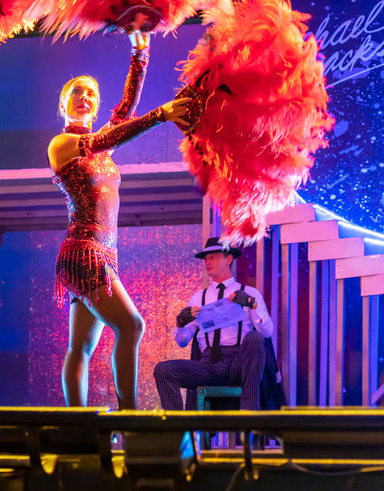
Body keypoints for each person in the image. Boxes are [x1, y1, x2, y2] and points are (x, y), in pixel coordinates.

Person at [48, 31, 191, 409]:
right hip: (84, 254)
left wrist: (140, 52)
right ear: (63, 104)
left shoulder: (103, 145)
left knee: (80, 346)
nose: (84, 97)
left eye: (91, 94)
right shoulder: (62, 144)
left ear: (96, 107)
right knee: (132, 325)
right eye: (76, 92)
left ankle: (78, 425)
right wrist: (160, 115)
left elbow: (126, 108)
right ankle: (129, 415)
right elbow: (106, 139)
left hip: (103, 255)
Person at [153, 237, 274, 410]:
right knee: (163, 369)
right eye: (206, 258)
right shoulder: (198, 298)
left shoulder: (249, 292)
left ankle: (249, 413)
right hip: (209, 364)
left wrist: (252, 304)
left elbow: (267, 332)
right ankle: (177, 425)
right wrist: (180, 323)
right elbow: (182, 342)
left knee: (255, 338)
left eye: (213, 257)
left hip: (240, 363)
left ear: (228, 258)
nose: (207, 262)